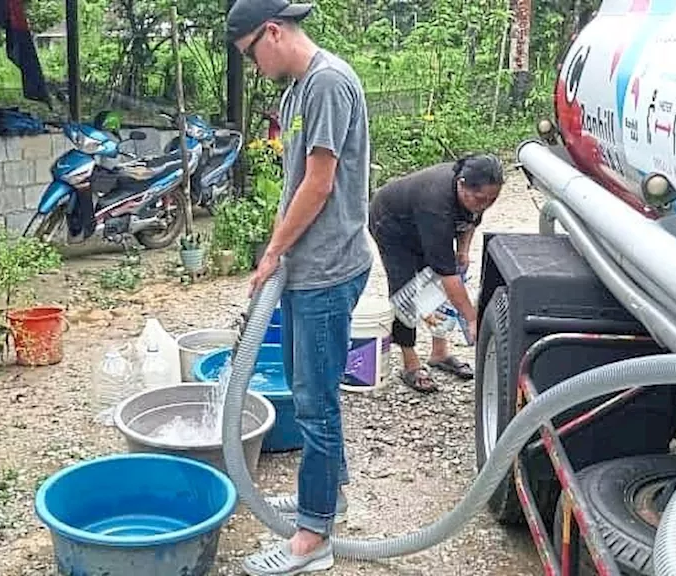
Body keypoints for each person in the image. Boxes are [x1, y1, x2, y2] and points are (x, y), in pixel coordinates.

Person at [228, 0, 373, 574]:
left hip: (329, 269)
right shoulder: (297, 90)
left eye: (251, 54)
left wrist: (272, 252)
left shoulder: (328, 84)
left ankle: (314, 539)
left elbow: (319, 183)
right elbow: (295, 182)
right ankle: (326, 499)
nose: (254, 65)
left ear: (272, 32)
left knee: (315, 405)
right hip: (305, 268)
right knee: (303, 387)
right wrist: (279, 250)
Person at [368, 154, 504, 393]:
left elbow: (470, 221)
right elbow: (447, 274)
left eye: (492, 199)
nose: (485, 203)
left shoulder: (476, 196)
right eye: (480, 198)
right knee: (406, 290)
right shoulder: (436, 204)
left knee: (436, 284)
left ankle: (439, 353)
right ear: (461, 183)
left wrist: (463, 250)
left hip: (422, 221)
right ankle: (410, 363)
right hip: (391, 223)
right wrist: (472, 319)